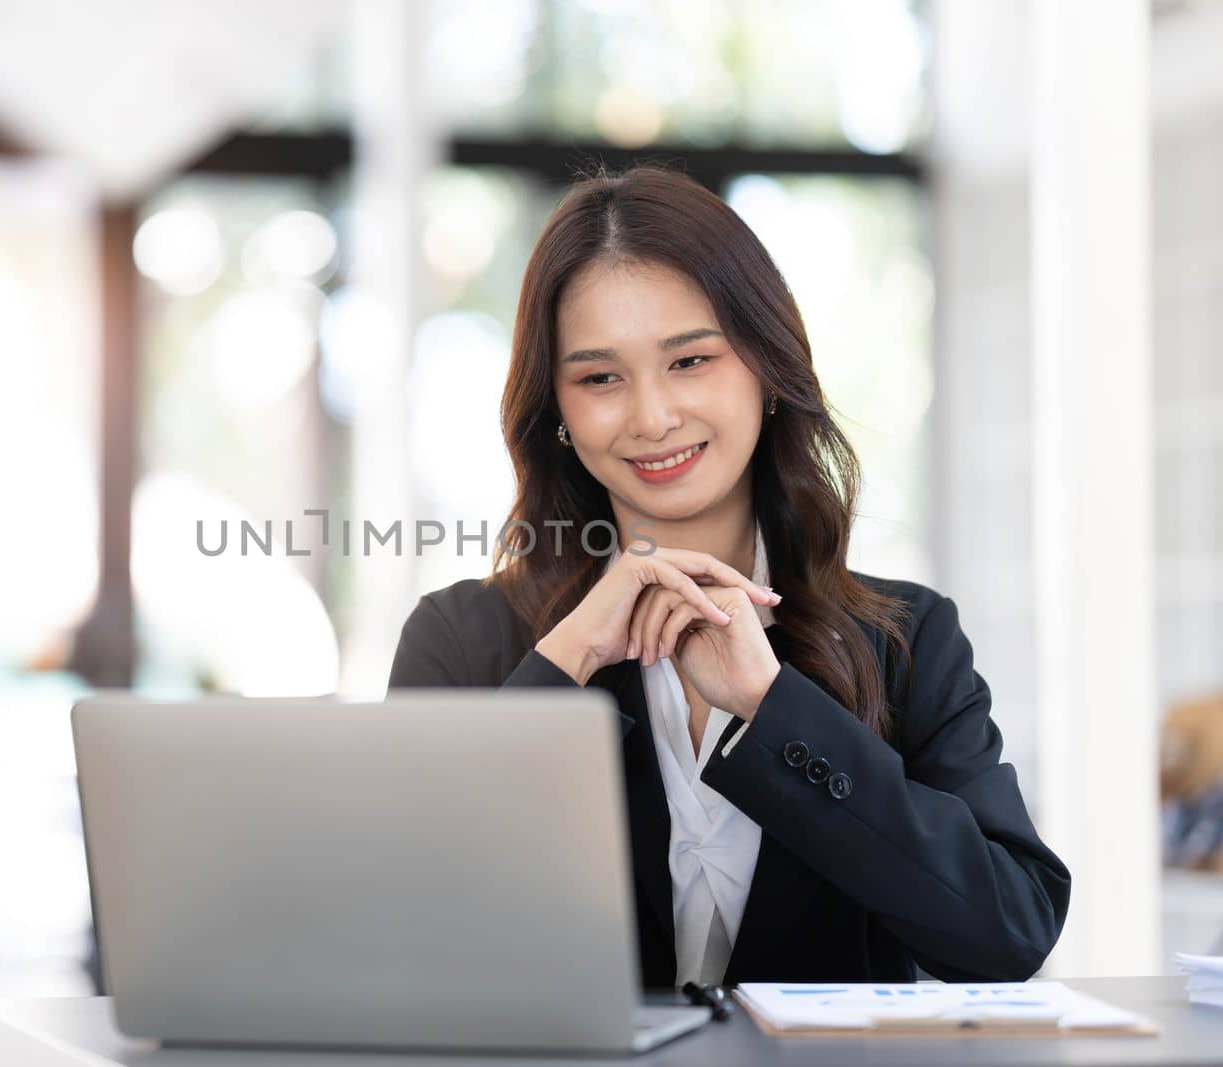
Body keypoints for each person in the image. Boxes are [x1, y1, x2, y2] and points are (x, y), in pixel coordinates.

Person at [387, 164, 1069, 990]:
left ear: (766, 368)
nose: (651, 416)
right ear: (558, 412)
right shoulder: (464, 640)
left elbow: (1007, 932)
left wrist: (776, 707)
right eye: (600, 377)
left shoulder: (907, 637)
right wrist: (564, 662)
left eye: (690, 360)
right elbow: (410, 931)